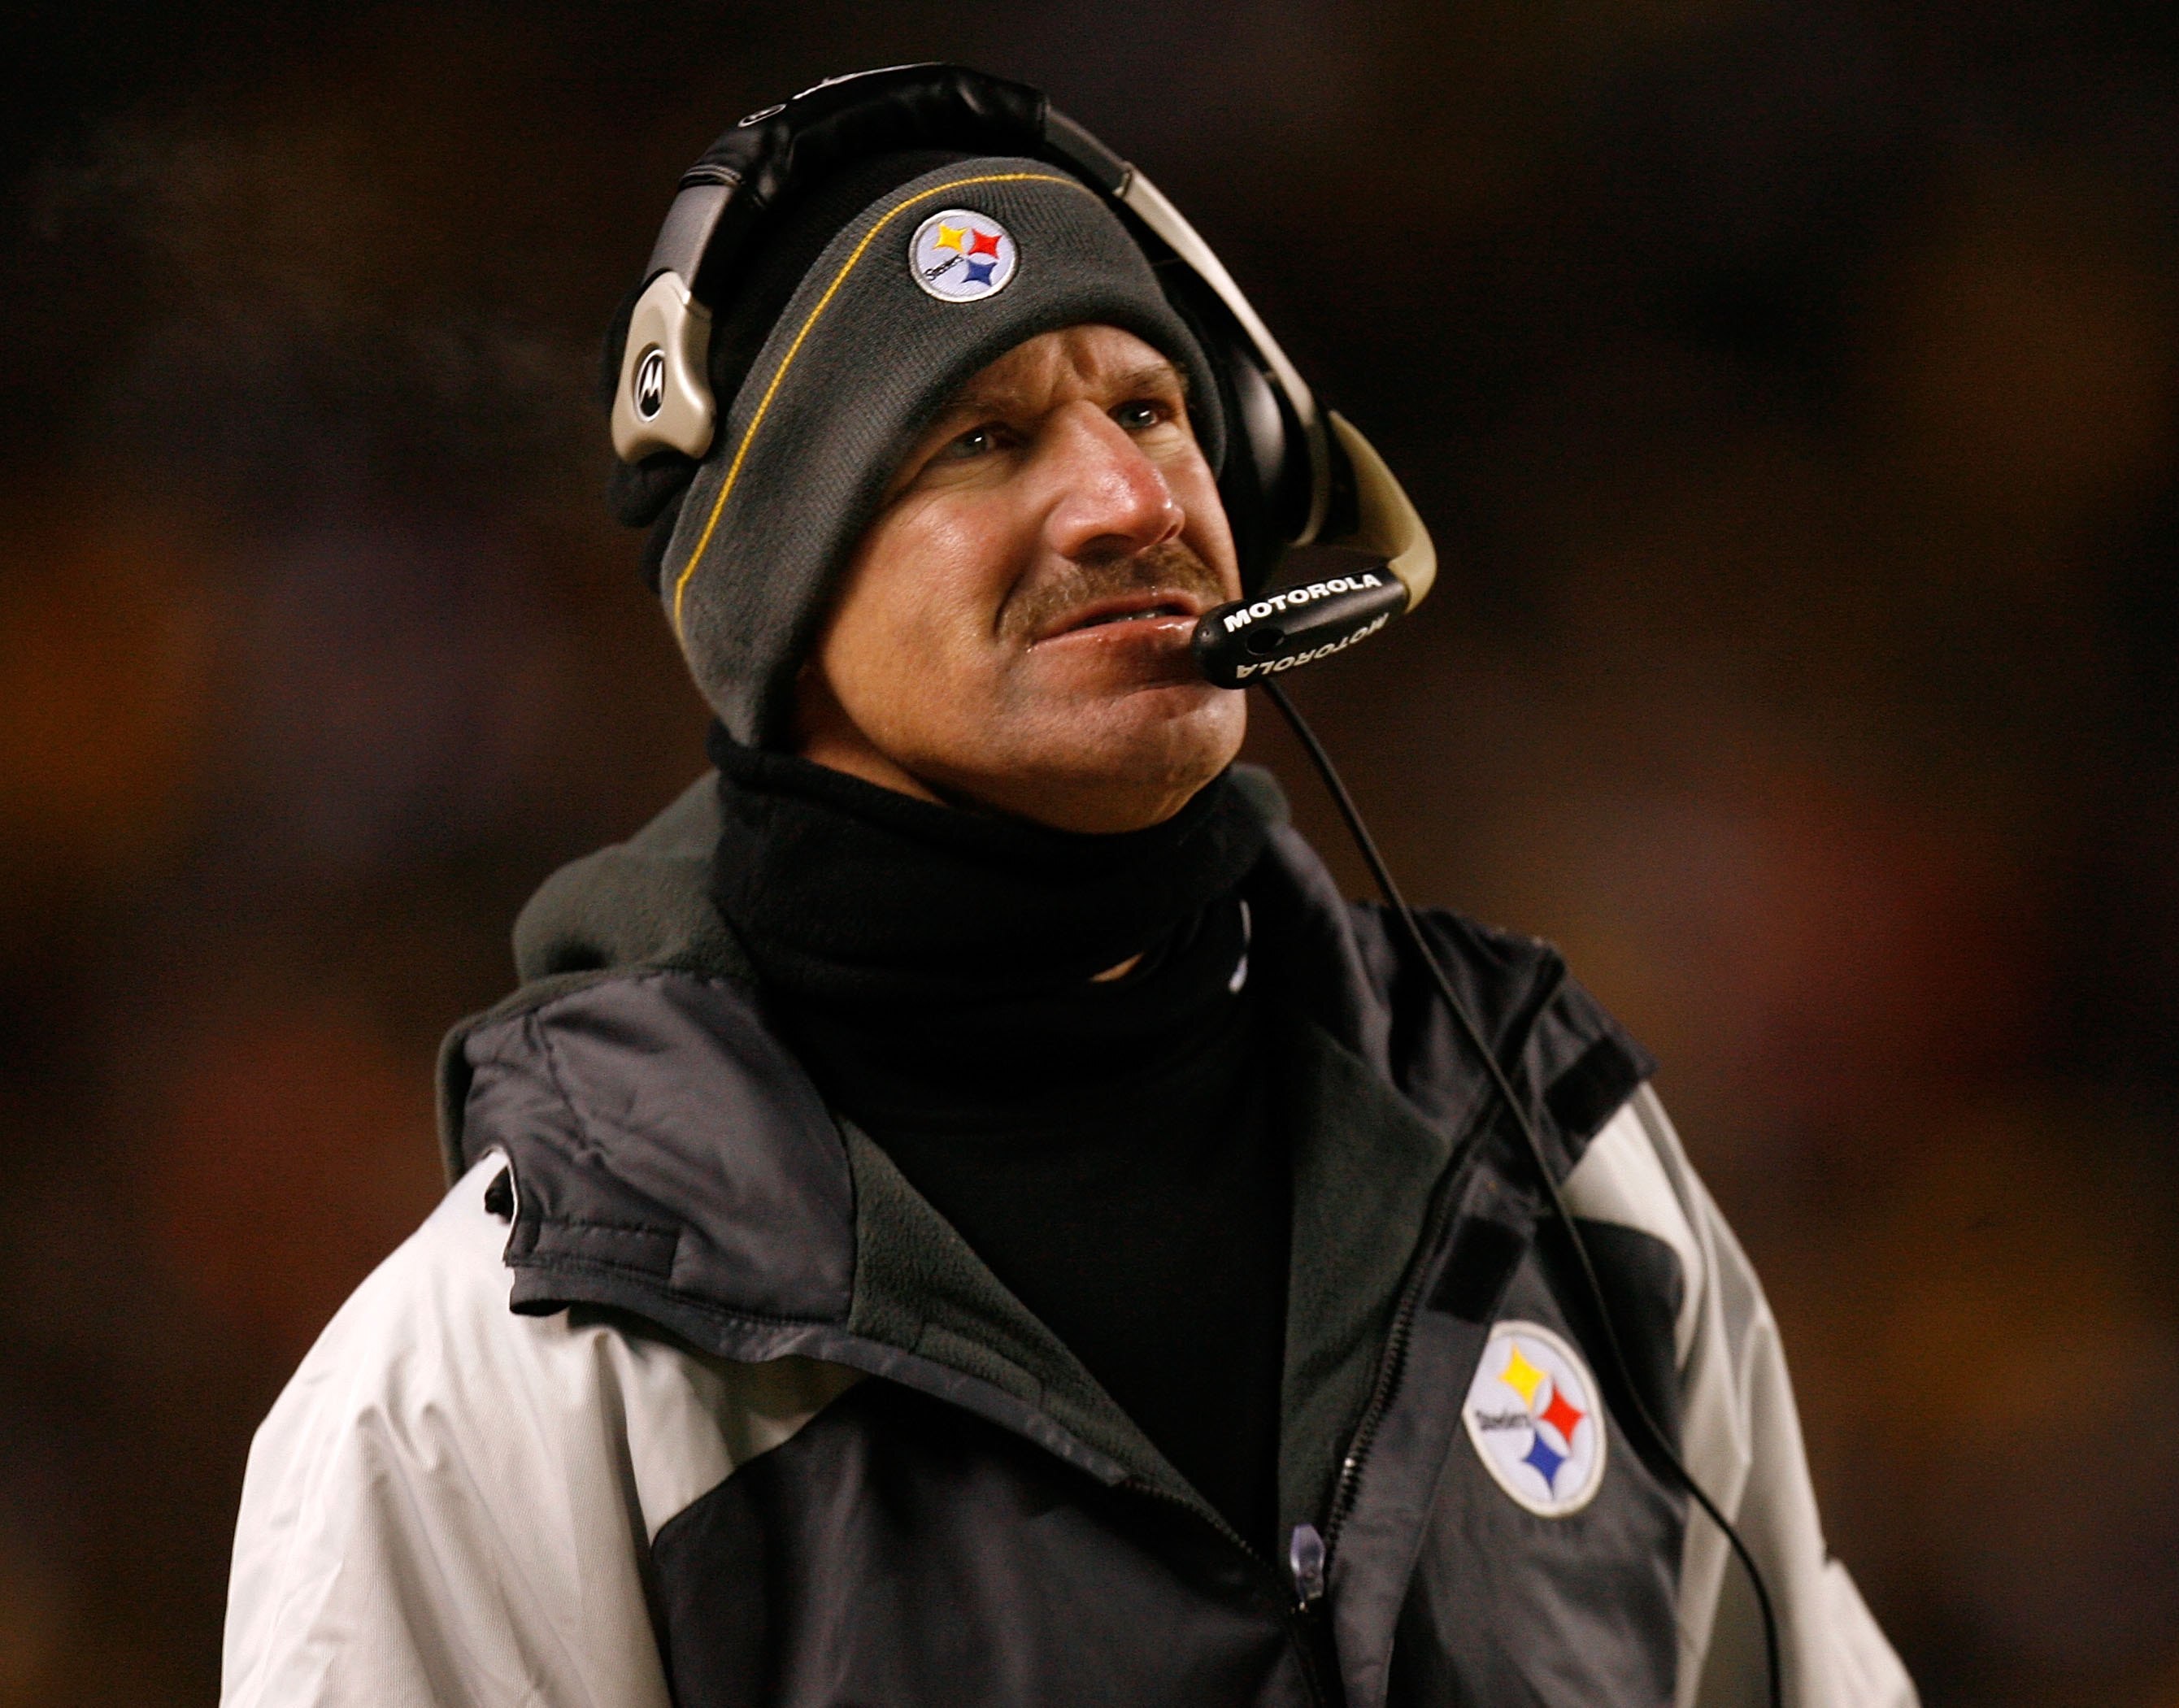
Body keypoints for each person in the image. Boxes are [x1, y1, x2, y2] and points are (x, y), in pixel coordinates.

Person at [220, 66, 1916, 1708]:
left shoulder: (1554, 1153)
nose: (1126, 501)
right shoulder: (496, 1374)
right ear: (779, 587)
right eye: (975, 437)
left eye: (1154, 409)